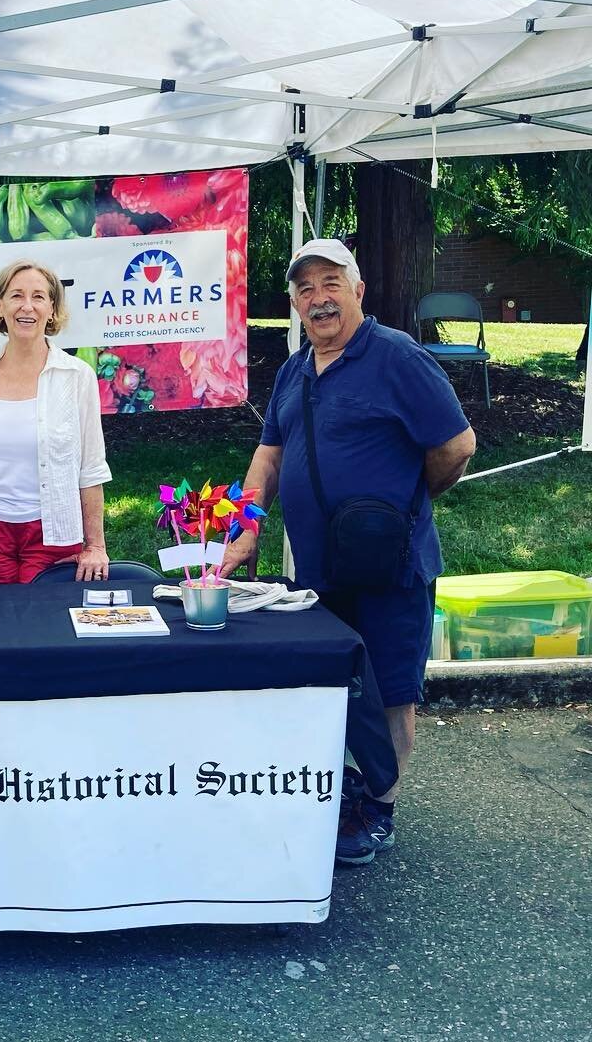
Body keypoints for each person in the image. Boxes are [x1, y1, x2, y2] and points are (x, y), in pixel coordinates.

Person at [218, 238, 476, 866]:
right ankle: (343, 788)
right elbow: (269, 456)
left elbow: (457, 445)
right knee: (335, 686)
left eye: (330, 283)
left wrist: (408, 504)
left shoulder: (396, 357)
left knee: (390, 689)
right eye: (305, 289)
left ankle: (380, 807)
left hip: (391, 566)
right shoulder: (294, 369)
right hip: (319, 568)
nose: (318, 298)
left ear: (359, 291)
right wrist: (246, 523)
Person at [0, 259, 111, 585]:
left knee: (48, 627)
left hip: (53, 534)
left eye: (38, 296)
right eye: (17, 295)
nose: (27, 306)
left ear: (52, 308)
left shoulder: (77, 377)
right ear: (0, 305)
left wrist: (96, 546)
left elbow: (91, 469)